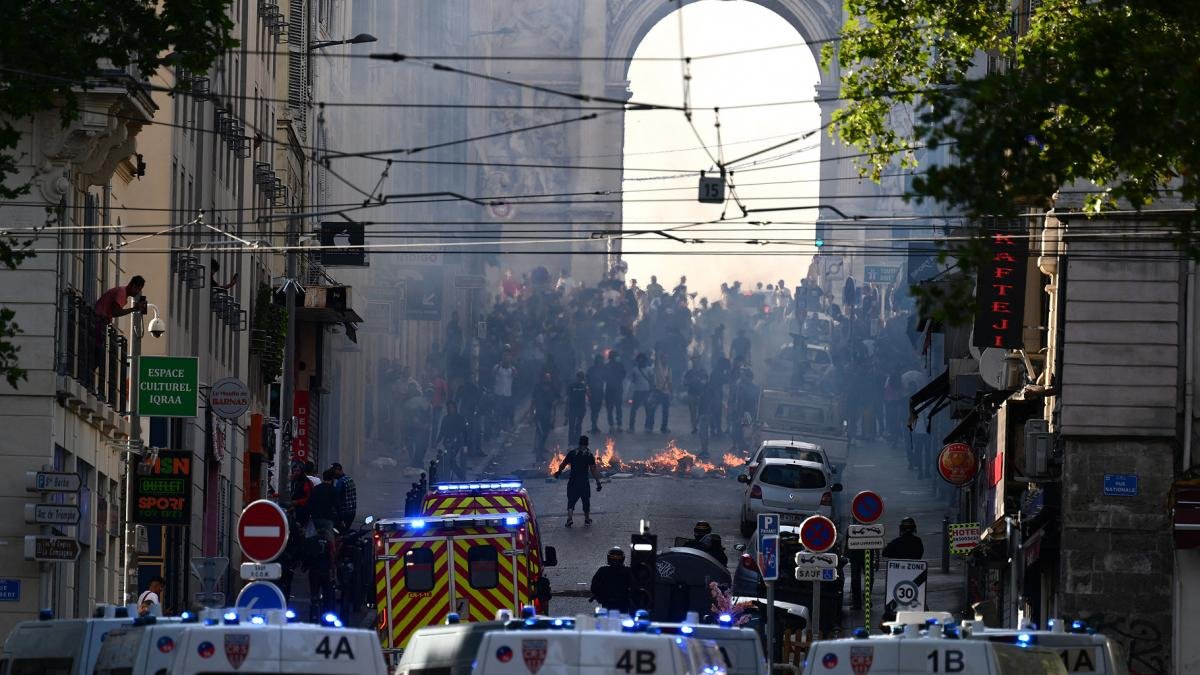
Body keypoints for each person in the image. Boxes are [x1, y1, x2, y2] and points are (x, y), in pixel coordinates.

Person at [94, 276, 146, 367]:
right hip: (98, 323)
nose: (137, 292)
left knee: (100, 355)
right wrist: (133, 309)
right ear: (132, 285)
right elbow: (115, 312)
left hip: (99, 322)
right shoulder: (121, 293)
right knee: (99, 355)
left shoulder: (122, 292)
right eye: (137, 289)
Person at [553, 435, 602, 526]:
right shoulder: (589, 455)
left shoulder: (572, 453)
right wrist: (598, 482)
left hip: (573, 481)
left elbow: (563, 464)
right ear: (587, 444)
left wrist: (558, 472)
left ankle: (570, 518)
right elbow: (593, 469)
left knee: (571, 500)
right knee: (586, 501)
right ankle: (587, 519)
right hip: (584, 482)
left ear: (579, 443)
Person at [308, 469, 341, 579]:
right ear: (332, 479)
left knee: (312, 542)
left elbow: (310, 503)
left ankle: (311, 563)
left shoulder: (316, 489)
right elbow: (337, 506)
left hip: (315, 520)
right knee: (332, 546)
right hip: (327, 521)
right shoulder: (333, 490)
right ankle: (332, 569)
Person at [590, 547, 634, 614]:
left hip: (614, 603)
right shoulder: (628, 571)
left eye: (617, 558)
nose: (615, 560)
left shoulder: (603, 571)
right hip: (617, 603)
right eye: (614, 558)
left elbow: (594, 587)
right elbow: (594, 587)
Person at [529, 372, 559, 463]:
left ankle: (540, 451)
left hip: (548, 415)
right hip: (539, 415)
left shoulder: (552, 388)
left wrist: (553, 417)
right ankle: (538, 455)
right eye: (546, 378)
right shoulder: (538, 388)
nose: (548, 379)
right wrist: (531, 415)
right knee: (540, 434)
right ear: (543, 379)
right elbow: (533, 402)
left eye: (549, 378)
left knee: (545, 434)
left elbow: (555, 401)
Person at [628, 353, 653, 432]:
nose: (641, 362)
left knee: (648, 410)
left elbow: (652, 380)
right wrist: (630, 393)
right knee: (634, 410)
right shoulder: (635, 369)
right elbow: (633, 381)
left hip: (646, 392)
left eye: (643, 360)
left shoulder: (649, 369)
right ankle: (631, 427)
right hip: (638, 392)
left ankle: (648, 427)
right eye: (640, 360)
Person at [331, 462, 357, 531]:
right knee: (345, 531)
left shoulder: (340, 482)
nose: (332, 474)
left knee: (339, 532)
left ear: (338, 470)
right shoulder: (350, 479)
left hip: (344, 512)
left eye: (333, 471)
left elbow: (337, 498)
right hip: (352, 512)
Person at [603, 352, 626, 432]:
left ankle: (612, 425)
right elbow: (623, 375)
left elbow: (604, 377)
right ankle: (618, 425)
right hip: (616, 388)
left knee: (611, 408)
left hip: (611, 388)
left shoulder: (607, 366)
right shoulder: (619, 365)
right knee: (617, 407)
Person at [566, 371, 588, 444]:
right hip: (573, 407)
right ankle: (571, 442)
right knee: (573, 426)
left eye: (581, 377)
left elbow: (589, 395)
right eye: (579, 377)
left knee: (577, 425)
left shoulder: (584, 386)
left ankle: (575, 441)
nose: (580, 379)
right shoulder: (571, 386)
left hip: (580, 408)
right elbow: (568, 397)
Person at [586, 355, 606, 433]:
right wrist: (588, 391)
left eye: (601, 360)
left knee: (597, 409)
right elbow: (587, 380)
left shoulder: (603, 369)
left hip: (600, 391)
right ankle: (594, 426)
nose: (601, 362)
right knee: (594, 410)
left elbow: (606, 378)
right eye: (600, 360)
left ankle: (594, 425)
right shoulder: (591, 370)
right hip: (593, 391)